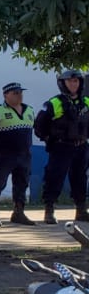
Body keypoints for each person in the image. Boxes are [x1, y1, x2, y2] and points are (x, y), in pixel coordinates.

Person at [35, 69, 89, 224]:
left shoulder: (86, 102)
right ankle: (49, 210)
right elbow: (39, 125)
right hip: (61, 147)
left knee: (80, 179)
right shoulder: (54, 103)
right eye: (70, 81)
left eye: (76, 81)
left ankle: (81, 210)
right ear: (63, 83)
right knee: (54, 177)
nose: (73, 84)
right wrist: (49, 139)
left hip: (81, 147)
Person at [0, 82, 37, 227]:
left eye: (20, 92)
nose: (19, 95)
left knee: (22, 184)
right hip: (4, 155)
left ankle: (19, 213)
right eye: (15, 93)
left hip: (24, 155)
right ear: (6, 95)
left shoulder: (29, 110)